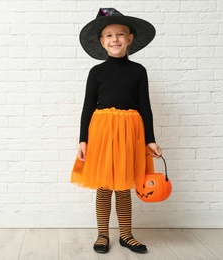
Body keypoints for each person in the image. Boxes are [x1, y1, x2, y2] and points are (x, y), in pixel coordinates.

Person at [71, 8, 162, 254]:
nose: (115, 40)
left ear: (130, 38)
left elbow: (145, 106)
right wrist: (83, 140)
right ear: (102, 42)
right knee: (103, 185)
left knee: (123, 186)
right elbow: (87, 108)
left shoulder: (138, 71)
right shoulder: (96, 72)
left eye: (120, 34)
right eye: (109, 35)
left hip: (129, 132)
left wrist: (151, 140)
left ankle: (126, 235)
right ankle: (102, 234)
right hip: (101, 132)